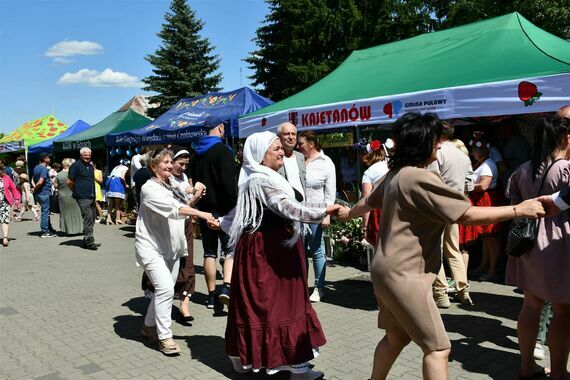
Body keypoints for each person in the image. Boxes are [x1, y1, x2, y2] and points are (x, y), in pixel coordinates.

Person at [337, 112, 544, 380]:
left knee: (397, 337)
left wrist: (346, 213)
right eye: (436, 140)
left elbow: (368, 202)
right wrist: (518, 209)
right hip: (405, 275)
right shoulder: (418, 177)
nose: (439, 144)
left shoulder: (396, 174)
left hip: (385, 271)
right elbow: (467, 214)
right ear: (423, 143)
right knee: (438, 348)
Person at [209, 131, 339, 379]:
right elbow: (285, 206)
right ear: (260, 155)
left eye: (281, 147)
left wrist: (222, 222)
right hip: (268, 254)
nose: (281, 151)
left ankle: (263, 360)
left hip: (274, 251)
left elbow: (239, 211)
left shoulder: (263, 177)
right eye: (276, 148)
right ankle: (296, 369)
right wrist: (324, 210)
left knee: (270, 307)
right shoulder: (260, 180)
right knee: (278, 307)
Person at [505, 114, 570, 380]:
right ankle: (558, 373)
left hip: (527, 242)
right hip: (559, 243)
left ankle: (526, 366)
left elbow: (514, 199)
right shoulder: (566, 169)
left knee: (531, 305)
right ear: (566, 138)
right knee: (563, 309)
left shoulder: (524, 168)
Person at [136, 148, 213, 355]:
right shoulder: (149, 189)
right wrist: (203, 214)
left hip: (171, 246)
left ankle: (148, 326)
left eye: (171, 162)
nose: (171, 165)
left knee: (165, 289)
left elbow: (185, 195)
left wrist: (196, 189)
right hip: (151, 247)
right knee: (166, 290)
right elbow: (176, 209)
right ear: (154, 167)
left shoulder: (171, 184)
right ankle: (164, 337)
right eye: (166, 163)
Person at [189, 116, 238, 309]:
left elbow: (194, 184)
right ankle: (226, 288)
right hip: (224, 209)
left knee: (209, 252)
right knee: (229, 250)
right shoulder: (223, 151)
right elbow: (228, 184)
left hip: (204, 209)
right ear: (219, 128)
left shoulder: (195, 153)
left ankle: (210, 297)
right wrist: (234, 205)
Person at [427, 121, 474, 308]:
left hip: (438, 208)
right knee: (453, 248)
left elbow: (431, 182)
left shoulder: (437, 153)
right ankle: (463, 290)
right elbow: (469, 183)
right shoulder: (462, 154)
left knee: (435, 251)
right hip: (456, 206)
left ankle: (441, 293)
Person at [297, 130, 336, 302]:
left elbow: (330, 191)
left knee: (317, 250)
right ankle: (301, 286)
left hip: (317, 211)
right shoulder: (297, 160)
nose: (298, 146)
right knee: (300, 251)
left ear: (311, 144)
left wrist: (327, 214)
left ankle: (319, 287)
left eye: (301, 144)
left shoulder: (326, 162)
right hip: (298, 212)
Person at [462, 134, 505, 282]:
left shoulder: (488, 164)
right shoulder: (481, 163)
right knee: (486, 238)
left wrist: (468, 186)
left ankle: (492, 270)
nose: (471, 152)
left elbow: (484, 185)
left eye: (473, 149)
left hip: (487, 201)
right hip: (481, 201)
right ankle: (484, 266)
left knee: (492, 238)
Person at [68, 148, 99, 250]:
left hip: (91, 197)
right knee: (88, 218)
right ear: (81, 155)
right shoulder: (75, 166)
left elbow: (91, 181)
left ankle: (87, 240)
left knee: (92, 218)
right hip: (82, 197)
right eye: (85, 155)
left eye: (89, 155)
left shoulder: (90, 166)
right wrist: (76, 192)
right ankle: (90, 242)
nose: (88, 157)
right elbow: (69, 182)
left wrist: (94, 195)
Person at [360, 139, 390, 246]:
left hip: (380, 215)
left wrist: (365, 228)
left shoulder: (369, 173)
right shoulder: (392, 166)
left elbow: (366, 202)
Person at [276, 122, 306, 197]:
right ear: (279, 137)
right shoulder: (275, 157)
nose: (291, 137)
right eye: (286, 134)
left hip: (303, 204)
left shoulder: (300, 157)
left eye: (293, 134)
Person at [56, 158, 83, 235]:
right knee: (77, 212)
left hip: (63, 196)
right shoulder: (74, 173)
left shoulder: (58, 174)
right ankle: (78, 229)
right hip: (73, 195)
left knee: (65, 213)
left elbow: (56, 185)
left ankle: (68, 230)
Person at [32, 153, 56, 238]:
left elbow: (33, 179)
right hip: (44, 193)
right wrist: (35, 188)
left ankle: (49, 228)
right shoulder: (44, 169)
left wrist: (34, 189)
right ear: (45, 159)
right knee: (45, 212)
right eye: (48, 157)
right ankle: (45, 231)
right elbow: (40, 181)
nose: (50, 159)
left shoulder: (36, 167)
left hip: (39, 193)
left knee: (46, 211)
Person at [0, 163, 21, 247]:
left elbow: (13, 188)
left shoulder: (6, 178)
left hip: (5, 202)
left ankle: (5, 237)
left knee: (5, 220)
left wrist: (17, 199)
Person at [106, 160, 129, 225]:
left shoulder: (116, 167)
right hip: (117, 183)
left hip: (110, 182)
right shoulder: (125, 168)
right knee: (117, 203)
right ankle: (117, 219)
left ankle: (108, 218)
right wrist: (126, 184)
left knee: (110, 203)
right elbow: (122, 177)